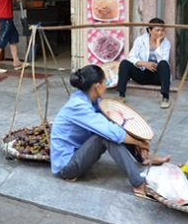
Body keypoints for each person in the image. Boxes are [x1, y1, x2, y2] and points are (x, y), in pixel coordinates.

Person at [50, 65, 171, 199]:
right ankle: (138, 183)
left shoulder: (91, 99)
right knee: (107, 136)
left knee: (115, 124)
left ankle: (143, 157)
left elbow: (113, 122)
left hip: (78, 153)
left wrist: (139, 141)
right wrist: (140, 142)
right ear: (97, 86)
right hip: (67, 167)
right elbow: (111, 132)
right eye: (105, 82)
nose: (106, 85)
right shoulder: (78, 105)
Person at [116, 18, 172, 109]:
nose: (160, 33)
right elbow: (131, 56)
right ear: (150, 30)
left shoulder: (166, 43)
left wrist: (158, 43)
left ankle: (165, 97)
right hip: (142, 74)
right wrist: (144, 63)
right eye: (157, 30)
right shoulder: (140, 40)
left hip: (157, 77)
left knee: (164, 64)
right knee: (124, 63)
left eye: (162, 30)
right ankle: (121, 95)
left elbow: (163, 60)